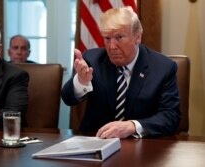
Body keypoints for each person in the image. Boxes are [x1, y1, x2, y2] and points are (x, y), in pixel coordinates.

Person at [61, 7, 181, 139]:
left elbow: (171, 117)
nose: (112, 46)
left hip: (143, 147)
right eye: (107, 38)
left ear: (137, 37)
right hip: (96, 142)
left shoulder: (163, 67)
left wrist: (132, 126)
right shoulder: (92, 60)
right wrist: (81, 82)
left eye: (119, 37)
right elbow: (68, 98)